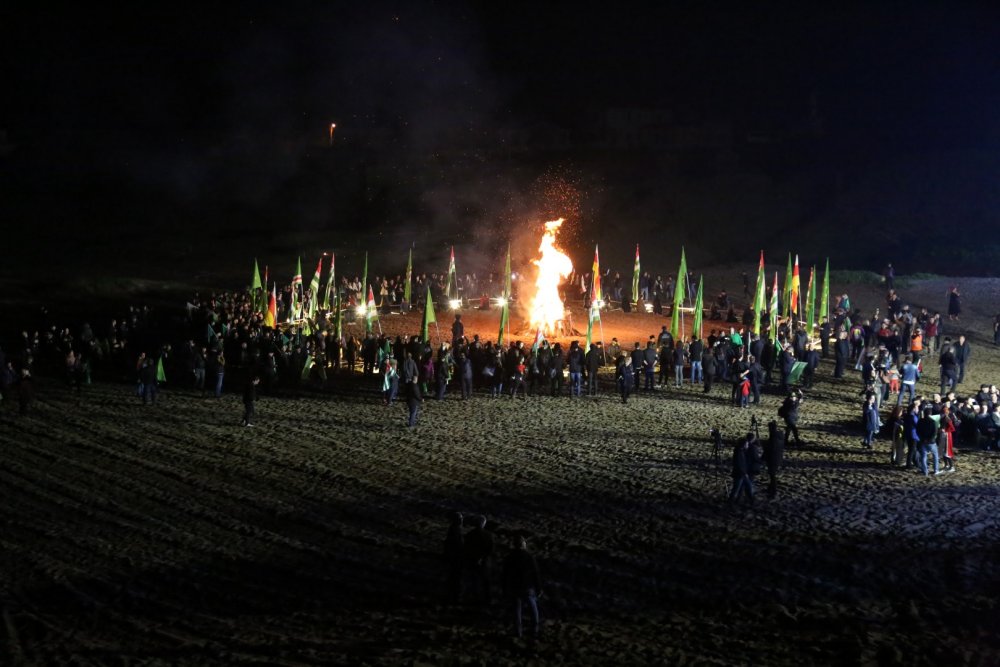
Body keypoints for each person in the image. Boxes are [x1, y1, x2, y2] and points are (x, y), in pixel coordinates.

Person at [501, 535, 543, 638]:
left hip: (514, 586)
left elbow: (504, 575)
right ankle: (535, 630)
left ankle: (518, 631)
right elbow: (536, 573)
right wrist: (538, 588)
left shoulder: (509, 557)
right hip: (527, 586)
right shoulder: (529, 557)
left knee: (516, 610)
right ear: (524, 544)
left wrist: (504, 588)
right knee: (532, 608)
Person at [463, 515, 494, 605]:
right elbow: (491, 550)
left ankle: (475, 598)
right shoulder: (489, 535)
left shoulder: (469, 535)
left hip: (472, 561)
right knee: (486, 582)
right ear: (484, 524)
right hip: (485, 562)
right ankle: (487, 599)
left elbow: (466, 549)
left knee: (474, 581)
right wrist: (483, 557)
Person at [728, 433, 756, 507]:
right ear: (743, 445)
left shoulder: (741, 451)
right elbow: (739, 464)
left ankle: (752, 501)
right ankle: (730, 503)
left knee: (748, 487)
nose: (748, 445)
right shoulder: (739, 452)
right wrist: (744, 473)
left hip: (742, 473)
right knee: (736, 489)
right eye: (747, 444)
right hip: (740, 474)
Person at [444, 512, 464, 604]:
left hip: (454, 557)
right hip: (456, 557)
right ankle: (454, 596)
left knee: (453, 576)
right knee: (455, 577)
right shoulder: (456, 530)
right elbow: (458, 544)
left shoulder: (453, 529)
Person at [763, 420, 785, 499]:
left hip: (772, 459)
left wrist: (763, 456)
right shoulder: (779, 437)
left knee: (772, 475)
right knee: (772, 474)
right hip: (777, 458)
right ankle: (771, 488)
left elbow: (770, 449)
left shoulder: (773, 438)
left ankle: (773, 490)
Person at [916, 407, 940, 476]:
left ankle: (925, 471)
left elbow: (917, 430)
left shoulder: (920, 421)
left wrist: (922, 438)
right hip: (931, 442)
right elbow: (934, 432)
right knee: (935, 455)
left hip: (923, 441)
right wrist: (929, 439)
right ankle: (936, 470)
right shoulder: (933, 421)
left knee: (923, 456)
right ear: (930, 414)